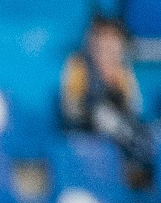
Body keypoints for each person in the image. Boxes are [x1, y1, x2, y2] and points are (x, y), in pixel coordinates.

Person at [60, 16, 152, 184]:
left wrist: (116, 86)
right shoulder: (78, 67)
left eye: (113, 42)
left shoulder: (122, 71)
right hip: (85, 131)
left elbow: (135, 108)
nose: (108, 47)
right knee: (103, 116)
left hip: (120, 134)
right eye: (103, 40)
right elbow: (70, 109)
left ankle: (139, 170)